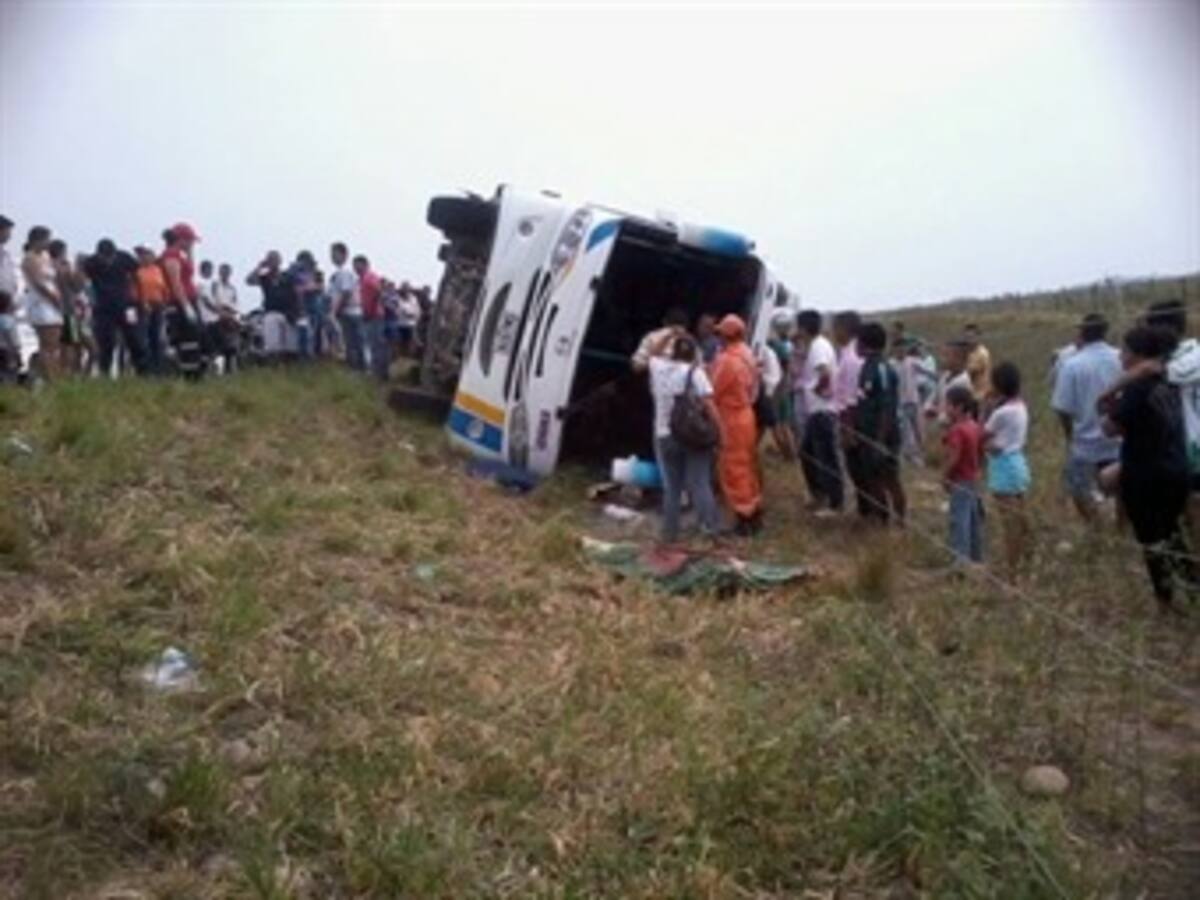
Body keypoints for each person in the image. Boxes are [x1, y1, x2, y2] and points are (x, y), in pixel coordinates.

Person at [1102, 327, 1197, 612]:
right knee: (1174, 536)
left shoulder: (1136, 390)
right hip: (1177, 467)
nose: (1120, 356)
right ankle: (1193, 590)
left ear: (1137, 355)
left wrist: (1110, 396)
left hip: (1146, 475)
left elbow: (1110, 427)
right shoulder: (1170, 382)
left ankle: (1165, 603)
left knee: (1153, 541)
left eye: (1125, 350)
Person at [647, 329, 723, 543]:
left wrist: (670, 333)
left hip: (664, 435)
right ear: (693, 355)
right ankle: (710, 531)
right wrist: (721, 434)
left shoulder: (658, 368)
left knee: (672, 488)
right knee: (699, 483)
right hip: (693, 436)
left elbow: (652, 351)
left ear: (672, 352)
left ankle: (670, 534)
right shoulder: (695, 373)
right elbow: (710, 406)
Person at [1051, 312, 1122, 522]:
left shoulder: (1072, 365)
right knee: (1121, 491)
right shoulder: (1121, 357)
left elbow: (1063, 408)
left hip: (1085, 443)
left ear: (1082, 332)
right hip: (1119, 439)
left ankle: (1096, 527)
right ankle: (1120, 527)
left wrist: (1069, 435)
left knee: (1079, 489)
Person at [711, 314, 763, 536]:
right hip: (746, 415)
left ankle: (744, 517)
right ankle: (754, 510)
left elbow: (713, 390)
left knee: (733, 468)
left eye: (721, 332)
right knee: (747, 465)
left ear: (726, 335)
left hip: (731, 418)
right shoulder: (747, 354)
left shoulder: (727, 360)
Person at [855, 322, 906, 525]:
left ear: (865, 344)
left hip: (883, 435)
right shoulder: (866, 367)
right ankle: (882, 518)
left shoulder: (882, 369)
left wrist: (880, 440)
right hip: (868, 434)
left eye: (858, 342)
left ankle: (901, 520)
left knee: (890, 478)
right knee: (873, 478)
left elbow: (886, 406)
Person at [984, 362, 1031, 580]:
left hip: (1002, 466)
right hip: (1018, 462)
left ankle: (1011, 571)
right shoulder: (1021, 406)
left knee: (1008, 523)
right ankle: (1025, 557)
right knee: (1020, 516)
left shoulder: (1000, 413)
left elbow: (983, 436)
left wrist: (986, 407)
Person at [795, 309, 843, 514]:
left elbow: (824, 372)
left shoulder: (818, 347)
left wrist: (818, 389)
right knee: (808, 453)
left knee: (825, 457)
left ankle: (833, 501)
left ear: (804, 328)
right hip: (817, 410)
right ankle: (820, 494)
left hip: (822, 410)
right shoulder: (816, 345)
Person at [84, 239, 145, 377]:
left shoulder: (124, 258)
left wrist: (139, 298)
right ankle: (105, 373)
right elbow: (83, 281)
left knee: (134, 338)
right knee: (105, 341)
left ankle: (142, 371)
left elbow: (137, 276)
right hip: (103, 308)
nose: (107, 261)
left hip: (126, 306)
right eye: (104, 258)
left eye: (110, 257)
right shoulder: (91, 263)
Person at [943, 386, 985, 564]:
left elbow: (955, 456)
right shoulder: (974, 426)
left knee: (959, 519)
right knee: (973, 518)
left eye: (948, 405)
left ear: (959, 407)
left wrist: (945, 475)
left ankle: (960, 560)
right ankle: (976, 556)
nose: (945, 408)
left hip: (960, 480)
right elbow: (981, 451)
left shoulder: (958, 430)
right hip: (973, 478)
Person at [832, 311, 866, 516]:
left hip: (848, 417)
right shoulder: (845, 353)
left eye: (836, 328)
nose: (834, 332)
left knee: (854, 466)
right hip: (842, 414)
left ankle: (859, 507)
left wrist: (847, 426)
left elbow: (852, 396)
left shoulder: (852, 358)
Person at [160, 223, 204, 378]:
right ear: (181, 239)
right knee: (185, 339)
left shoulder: (181, 255)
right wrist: (185, 306)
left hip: (189, 298)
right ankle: (187, 374)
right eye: (190, 241)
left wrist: (191, 251)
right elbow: (175, 282)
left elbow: (191, 271)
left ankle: (193, 373)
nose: (192, 244)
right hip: (178, 302)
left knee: (194, 338)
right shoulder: (171, 255)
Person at [20, 226, 63, 380]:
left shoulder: (45, 257)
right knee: (47, 343)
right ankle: (49, 377)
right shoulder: (29, 258)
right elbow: (38, 283)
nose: (48, 243)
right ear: (37, 240)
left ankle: (42, 375)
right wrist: (53, 298)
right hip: (40, 302)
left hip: (52, 302)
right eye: (46, 239)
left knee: (54, 343)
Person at [247, 251, 295, 362]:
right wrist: (259, 267)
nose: (273, 262)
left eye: (275, 259)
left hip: (288, 313)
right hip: (271, 313)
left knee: (290, 347)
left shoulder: (287, 276)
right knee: (273, 346)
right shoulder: (265, 278)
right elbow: (249, 281)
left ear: (280, 261)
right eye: (270, 260)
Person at [48, 240, 85, 374]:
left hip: (56, 309)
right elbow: (77, 286)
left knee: (59, 344)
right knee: (69, 344)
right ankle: (66, 373)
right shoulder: (62, 266)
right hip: (67, 309)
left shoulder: (47, 265)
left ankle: (61, 372)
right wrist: (78, 269)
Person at [765, 310, 797, 459]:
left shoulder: (774, 345)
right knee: (785, 423)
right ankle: (790, 454)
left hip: (778, 387)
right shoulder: (790, 345)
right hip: (786, 386)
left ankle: (787, 453)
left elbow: (784, 366)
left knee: (777, 423)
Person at [134, 246, 170, 374]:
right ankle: (145, 367)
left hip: (158, 305)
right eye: (142, 255)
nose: (144, 257)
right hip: (143, 306)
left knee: (157, 337)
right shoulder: (137, 271)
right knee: (143, 337)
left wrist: (166, 303)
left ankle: (158, 368)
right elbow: (135, 290)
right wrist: (142, 303)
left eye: (147, 254)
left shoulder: (158, 270)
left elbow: (164, 289)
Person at [329, 243, 363, 370]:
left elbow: (346, 292)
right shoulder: (340, 273)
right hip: (348, 312)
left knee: (353, 343)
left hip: (350, 312)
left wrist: (335, 311)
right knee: (350, 343)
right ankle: (355, 368)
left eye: (334, 254)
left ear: (343, 255)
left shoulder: (344, 272)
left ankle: (358, 369)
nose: (332, 257)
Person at [355, 254, 387, 380]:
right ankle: (378, 372)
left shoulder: (369, 277)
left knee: (375, 345)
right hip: (371, 314)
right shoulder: (364, 278)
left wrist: (371, 309)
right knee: (374, 344)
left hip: (373, 315)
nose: (355, 268)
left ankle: (378, 373)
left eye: (357, 265)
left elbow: (378, 291)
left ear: (364, 264)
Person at [632, 307, 690, 373]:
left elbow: (636, 366)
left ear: (664, 322)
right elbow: (636, 366)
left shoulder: (689, 342)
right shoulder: (652, 338)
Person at [895, 339, 925, 465]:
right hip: (902, 403)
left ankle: (919, 456)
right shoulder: (893, 364)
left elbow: (924, 370)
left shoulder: (911, 361)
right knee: (904, 431)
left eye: (903, 349)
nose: (901, 351)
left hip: (914, 401)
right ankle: (904, 455)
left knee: (918, 430)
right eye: (898, 349)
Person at [929, 340, 973, 425]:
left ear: (958, 359)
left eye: (946, 355)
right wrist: (930, 407)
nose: (941, 359)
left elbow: (956, 412)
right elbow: (936, 396)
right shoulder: (945, 375)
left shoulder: (962, 382)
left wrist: (938, 413)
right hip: (942, 423)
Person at [212, 263, 240, 373]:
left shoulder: (232, 288)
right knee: (219, 346)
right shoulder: (215, 285)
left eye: (227, 272)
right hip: (217, 316)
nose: (225, 274)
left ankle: (230, 369)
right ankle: (218, 370)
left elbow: (235, 303)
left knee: (231, 346)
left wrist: (232, 314)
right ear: (219, 272)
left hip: (230, 316)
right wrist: (221, 311)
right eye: (223, 271)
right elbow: (213, 300)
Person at [964, 323, 991, 400]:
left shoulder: (981, 354)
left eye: (971, 337)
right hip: (971, 394)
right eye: (966, 338)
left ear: (978, 337)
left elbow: (969, 373)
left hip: (980, 395)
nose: (968, 341)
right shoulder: (970, 352)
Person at [395, 284, 421, 357]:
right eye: (404, 289)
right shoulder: (398, 299)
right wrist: (405, 313)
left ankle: (409, 356)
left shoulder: (413, 299)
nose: (406, 291)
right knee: (400, 342)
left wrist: (414, 316)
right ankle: (401, 357)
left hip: (411, 324)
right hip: (400, 324)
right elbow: (398, 311)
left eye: (407, 289)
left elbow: (417, 310)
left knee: (411, 342)